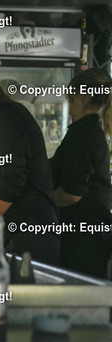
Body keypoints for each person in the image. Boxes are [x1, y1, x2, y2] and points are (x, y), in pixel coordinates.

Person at [0, 67, 60, 265]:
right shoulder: (5, 115)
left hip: (29, 235)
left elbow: (13, 180)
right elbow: (16, 172)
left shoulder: (7, 113)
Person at [50, 68, 112, 277]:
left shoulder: (84, 134)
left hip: (83, 238)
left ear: (82, 96)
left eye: (71, 96)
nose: (70, 102)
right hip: (89, 234)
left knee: (77, 291)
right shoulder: (90, 131)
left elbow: (72, 192)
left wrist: (42, 201)